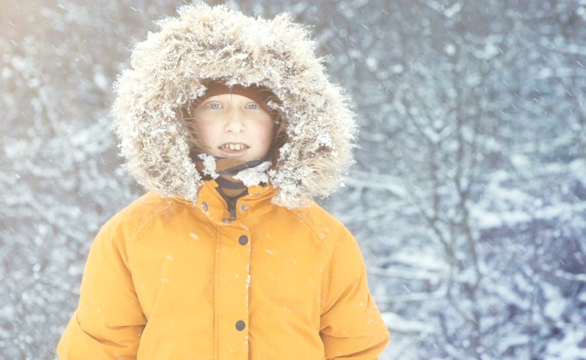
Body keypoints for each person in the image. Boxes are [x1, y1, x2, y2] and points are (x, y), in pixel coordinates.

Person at [58, 4, 389, 359]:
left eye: (252, 107)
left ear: (282, 120)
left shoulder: (323, 239)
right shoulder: (132, 234)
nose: (235, 124)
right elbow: (98, 349)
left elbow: (356, 349)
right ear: (183, 117)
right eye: (215, 106)